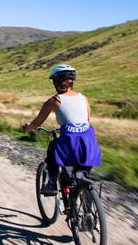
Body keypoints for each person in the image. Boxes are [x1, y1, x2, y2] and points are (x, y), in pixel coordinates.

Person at [23, 64, 101, 195]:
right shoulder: (83, 98)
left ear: (56, 81)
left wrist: (28, 128)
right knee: (80, 179)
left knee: (53, 146)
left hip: (70, 145)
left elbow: (36, 123)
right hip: (90, 146)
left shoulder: (54, 101)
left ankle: (52, 182)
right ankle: (86, 208)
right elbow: (87, 121)